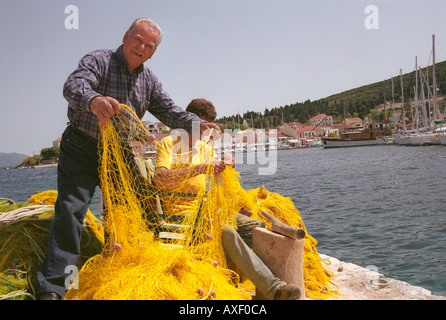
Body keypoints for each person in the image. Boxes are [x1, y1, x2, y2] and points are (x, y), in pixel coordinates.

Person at [36, 18, 220, 300]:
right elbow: (73, 85)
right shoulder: (99, 60)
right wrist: (93, 100)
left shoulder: (149, 81)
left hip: (120, 154)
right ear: (125, 36)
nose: (141, 47)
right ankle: (55, 287)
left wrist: (198, 124)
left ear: (153, 52)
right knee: (71, 211)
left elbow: (171, 112)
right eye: (138, 39)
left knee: (124, 213)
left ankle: (116, 269)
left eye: (149, 45)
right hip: (81, 146)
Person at [153, 98, 301, 300]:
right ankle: (274, 289)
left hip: (211, 211)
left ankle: (231, 273)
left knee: (257, 228)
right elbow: (160, 179)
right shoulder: (169, 144)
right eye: (203, 125)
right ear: (190, 120)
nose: (206, 132)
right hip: (184, 215)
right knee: (228, 232)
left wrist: (227, 166)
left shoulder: (204, 147)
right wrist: (199, 169)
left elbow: (215, 182)